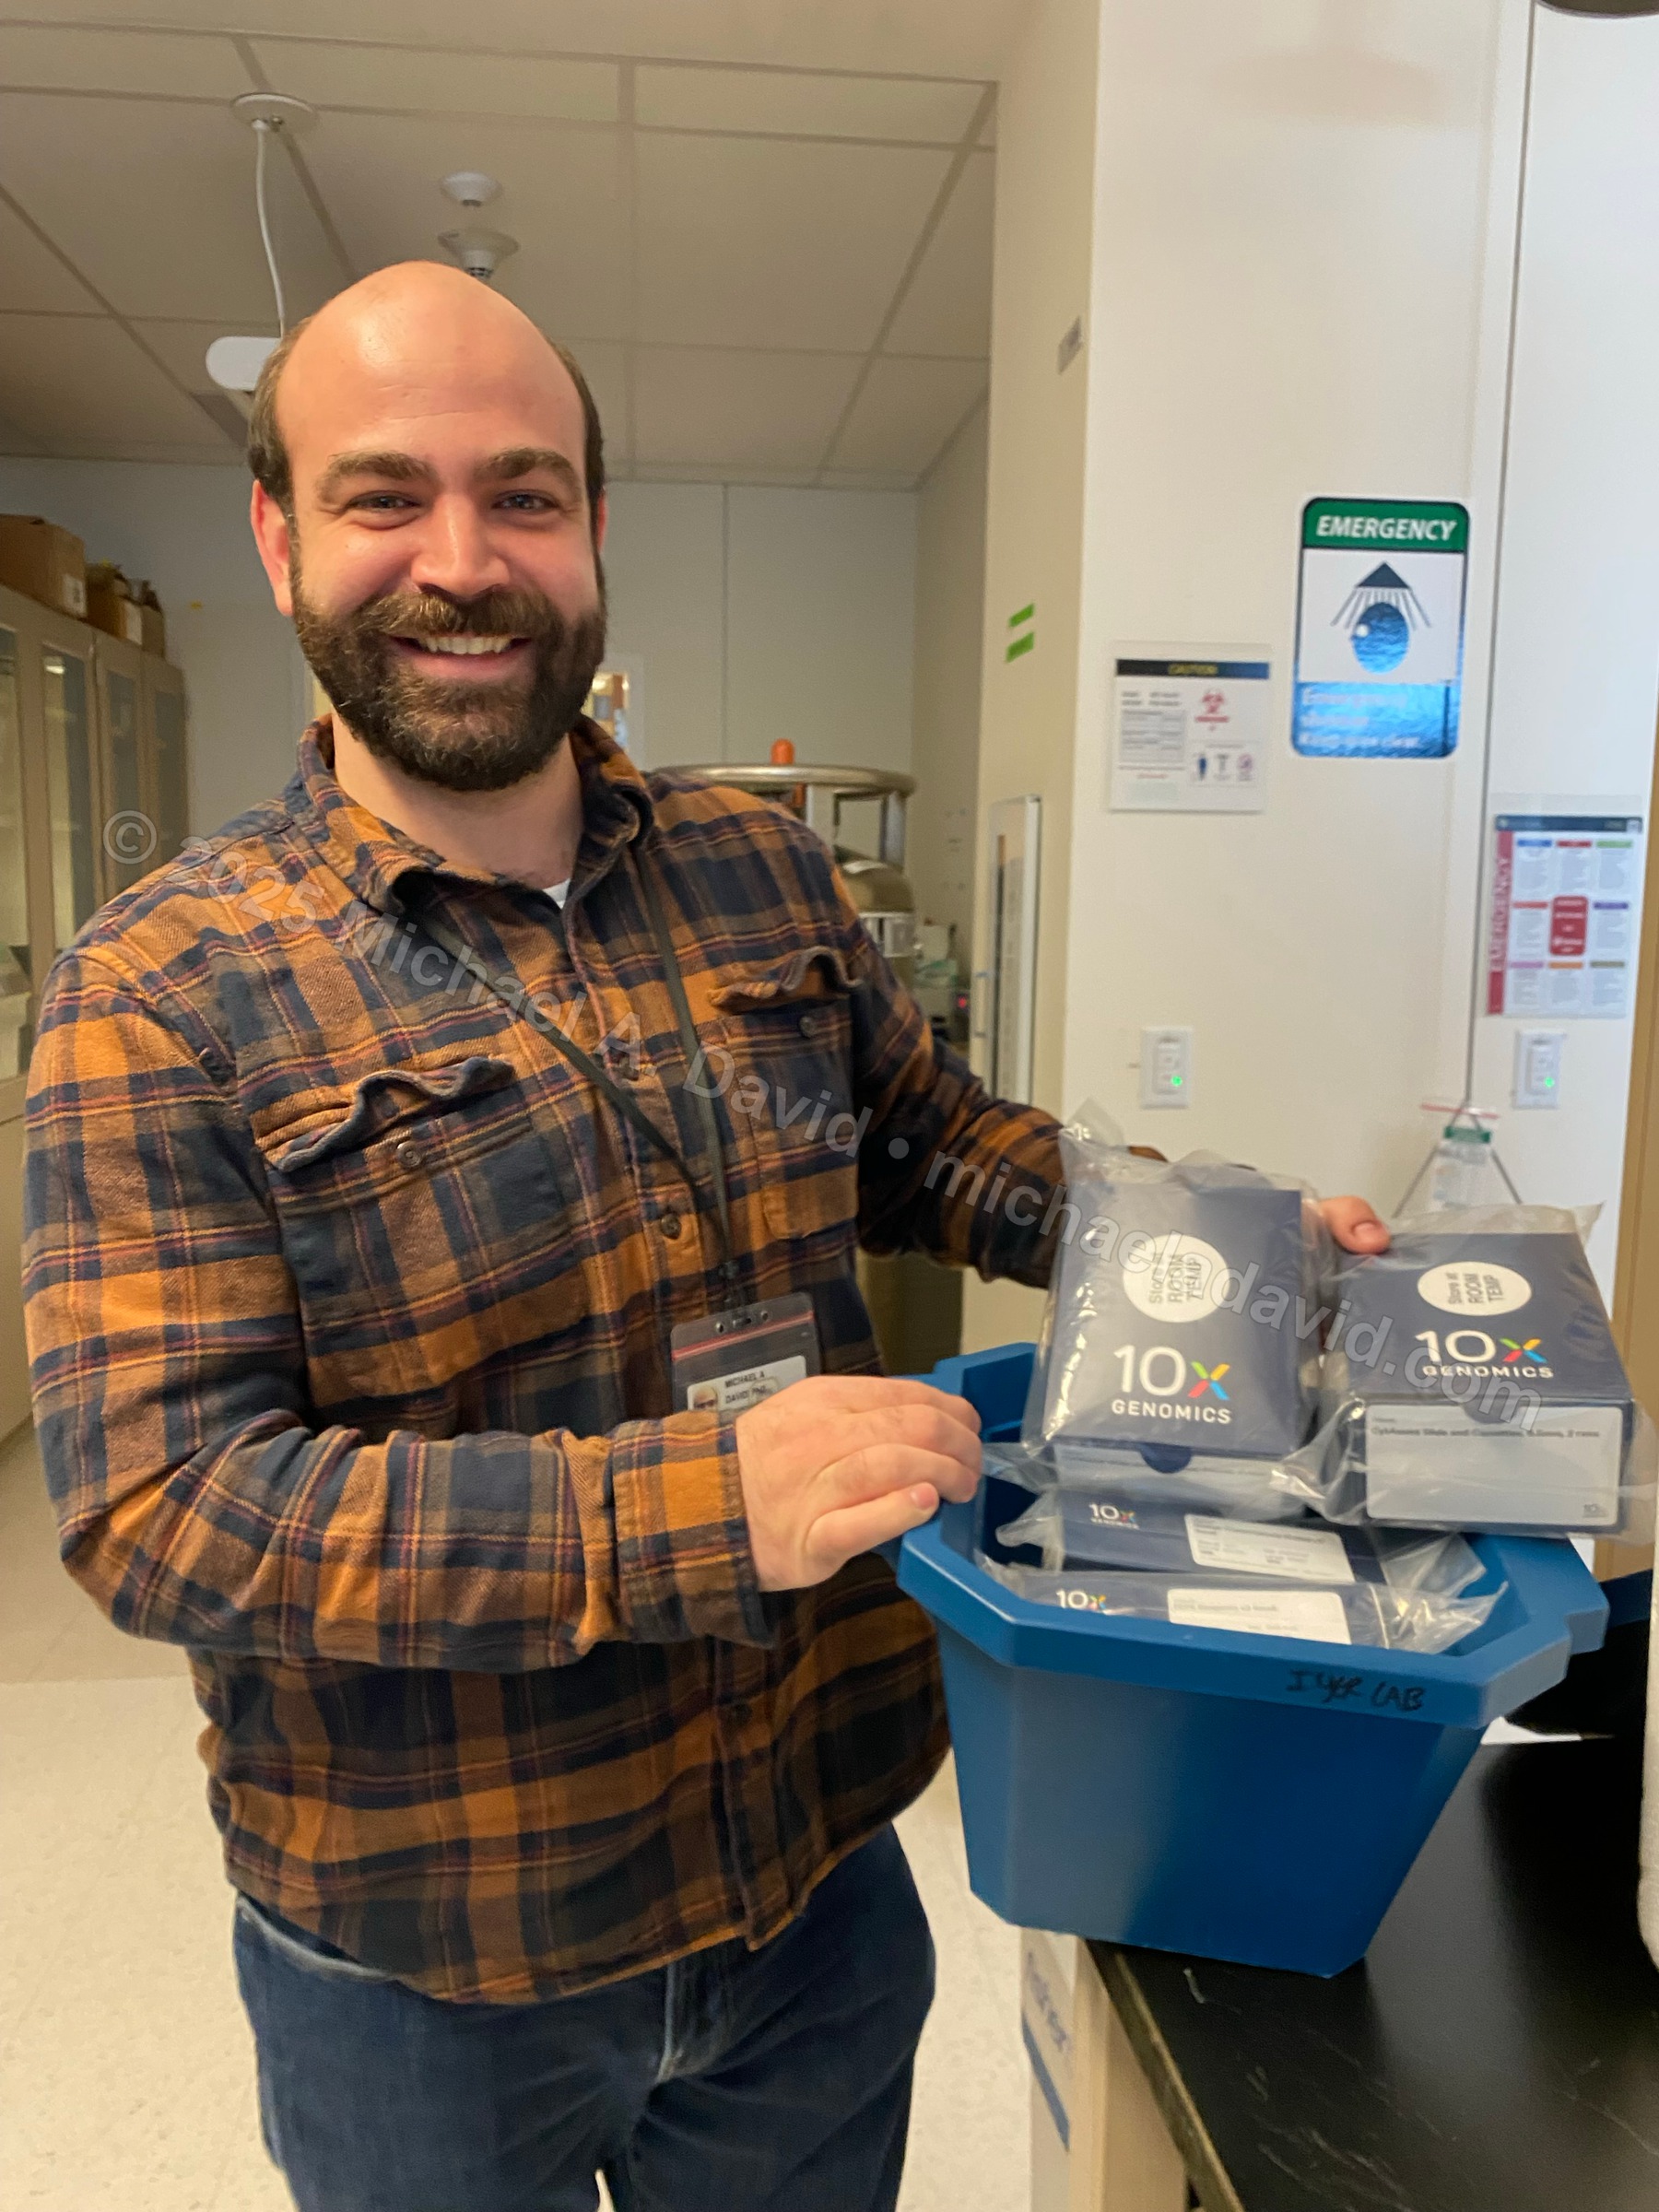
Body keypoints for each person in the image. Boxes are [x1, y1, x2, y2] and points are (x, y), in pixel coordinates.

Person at [21, 261, 1389, 2212]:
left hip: (811, 1887)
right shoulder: (158, 989)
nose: (462, 561)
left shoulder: (760, 868)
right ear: (280, 535)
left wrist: (1212, 1241)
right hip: (431, 1968)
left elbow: (922, 1144)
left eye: (524, 494)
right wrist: (688, 1511)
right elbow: (164, 1506)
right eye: (386, 496)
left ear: (593, 524)